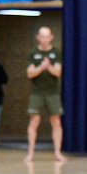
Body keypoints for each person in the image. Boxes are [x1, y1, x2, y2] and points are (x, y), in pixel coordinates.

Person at [24, 27, 66, 163]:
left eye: (47, 37)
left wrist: (49, 67)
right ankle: (30, 153)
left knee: (56, 122)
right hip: (37, 92)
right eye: (42, 37)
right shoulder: (32, 53)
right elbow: (30, 73)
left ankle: (57, 153)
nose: (45, 39)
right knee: (34, 121)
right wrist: (41, 67)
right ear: (38, 37)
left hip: (52, 92)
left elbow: (58, 72)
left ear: (51, 37)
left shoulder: (56, 52)